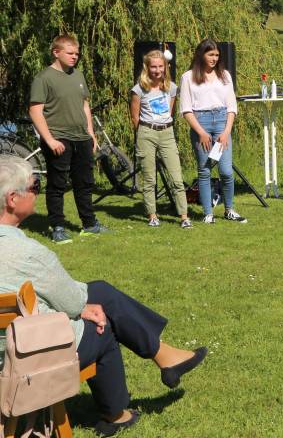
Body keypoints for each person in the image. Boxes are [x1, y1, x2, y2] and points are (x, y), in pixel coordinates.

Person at [0, 155, 207, 436]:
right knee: (102, 322)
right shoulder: (29, 254)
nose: (38, 192)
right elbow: (73, 302)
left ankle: (166, 356)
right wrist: (85, 308)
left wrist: (83, 305)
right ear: (13, 199)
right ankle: (117, 414)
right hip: (25, 357)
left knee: (98, 294)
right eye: (35, 186)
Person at [28, 34, 107, 244]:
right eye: (70, 53)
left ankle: (89, 224)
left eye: (77, 54)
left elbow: (84, 106)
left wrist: (91, 134)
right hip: (58, 138)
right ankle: (58, 227)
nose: (75, 57)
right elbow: (35, 111)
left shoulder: (78, 75)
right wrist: (50, 140)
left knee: (85, 183)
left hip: (81, 138)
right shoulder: (43, 78)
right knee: (57, 184)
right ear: (56, 52)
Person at [179, 39, 246, 224]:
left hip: (222, 122)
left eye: (217, 55)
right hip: (201, 122)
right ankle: (208, 213)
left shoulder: (225, 75)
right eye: (211, 55)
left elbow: (232, 107)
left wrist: (226, 132)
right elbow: (186, 110)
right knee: (205, 170)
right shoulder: (188, 77)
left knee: (225, 171)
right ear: (201, 54)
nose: (214, 58)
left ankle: (229, 209)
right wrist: (200, 132)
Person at [129, 50, 191, 229]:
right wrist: (143, 134)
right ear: (147, 68)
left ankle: (184, 217)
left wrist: (164, 127)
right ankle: (152, 215)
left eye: (160, 66)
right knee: (150, 178)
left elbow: (170, 111)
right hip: (146, 133)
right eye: (153, 67)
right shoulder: (139, 89)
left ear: (166, 67)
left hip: (167, 133)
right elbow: (135, 117)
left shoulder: (171, 87)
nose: (157, 70)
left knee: (176, 178)